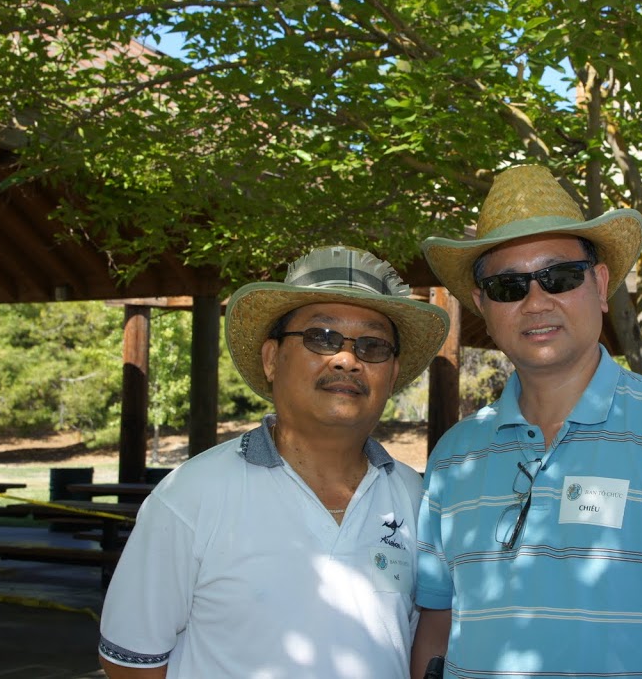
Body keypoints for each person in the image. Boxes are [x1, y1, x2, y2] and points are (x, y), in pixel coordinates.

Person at [411, 165, 642, 678]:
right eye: (508, 286)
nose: (536, 302)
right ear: (483, 308)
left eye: (560, 277)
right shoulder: (454, 456)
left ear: (600, 285)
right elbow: (436, 627)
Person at [98, 245, 450, 678]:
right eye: (322, 337)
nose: (347, 360)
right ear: (271, 359)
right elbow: (130, 663)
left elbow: (419, 646)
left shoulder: (415, 499)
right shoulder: (191, 496)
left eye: (373, 346)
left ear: (391, 376)